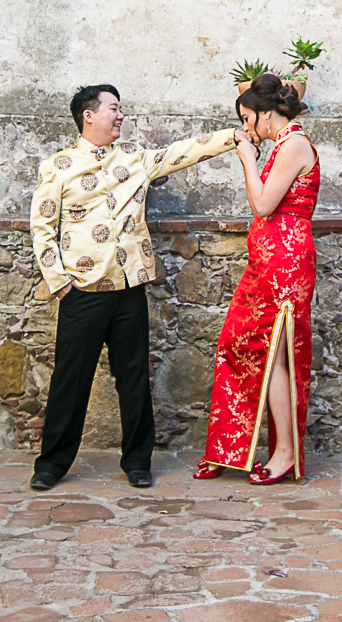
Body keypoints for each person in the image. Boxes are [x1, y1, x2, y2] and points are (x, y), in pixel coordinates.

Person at [29, 85, 237, 492]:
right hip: (83, 292)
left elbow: (181, 152)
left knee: (134, 377)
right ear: (89, 115)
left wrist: (233, 137)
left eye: (120, 109)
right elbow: (43, 227)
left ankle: (138, 461)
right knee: (71, 380)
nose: (120, 116)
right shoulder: (57, 166)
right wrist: (60, 284)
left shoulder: (135, 159)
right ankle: (52, 463)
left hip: (129, 289)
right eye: (113, 109)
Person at [195, 73, 319, 486]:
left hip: (285, 262)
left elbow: (265, 204)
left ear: (268, 116)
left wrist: (247, 160)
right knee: (238, 343)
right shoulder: (284, 145)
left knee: (275, 355)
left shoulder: (295, 144)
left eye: (249, 119)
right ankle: (230, 448)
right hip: (266, 261)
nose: (247, 129)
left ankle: (284, 452)